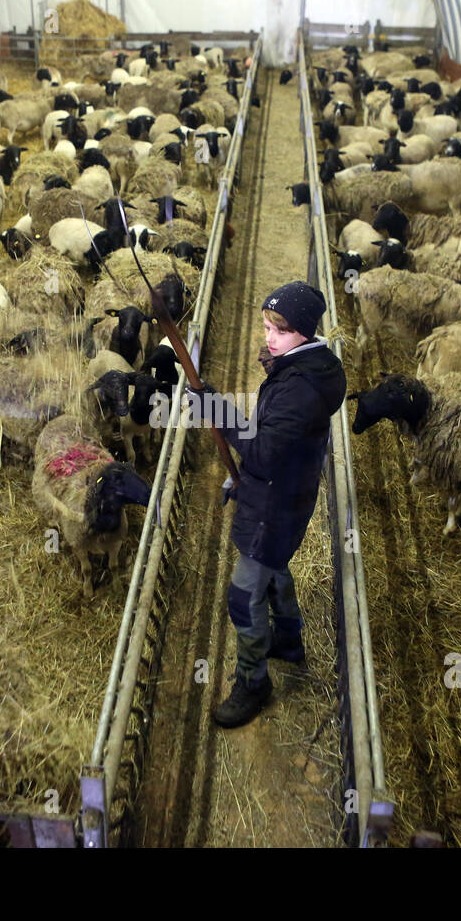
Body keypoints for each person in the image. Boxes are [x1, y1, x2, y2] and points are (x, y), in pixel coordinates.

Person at [187, 281, 347, 728]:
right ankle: (290, 640)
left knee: (242, 596)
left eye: (279, 329)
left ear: (305, 332)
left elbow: (262, 452)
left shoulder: (302, 388)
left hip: (276, 503)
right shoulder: (309, 366)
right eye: (265, 326)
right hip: (284, 493)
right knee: (274, 566)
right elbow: (268, 439)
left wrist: (217, 411)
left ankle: (253, 683)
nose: (268, 337)